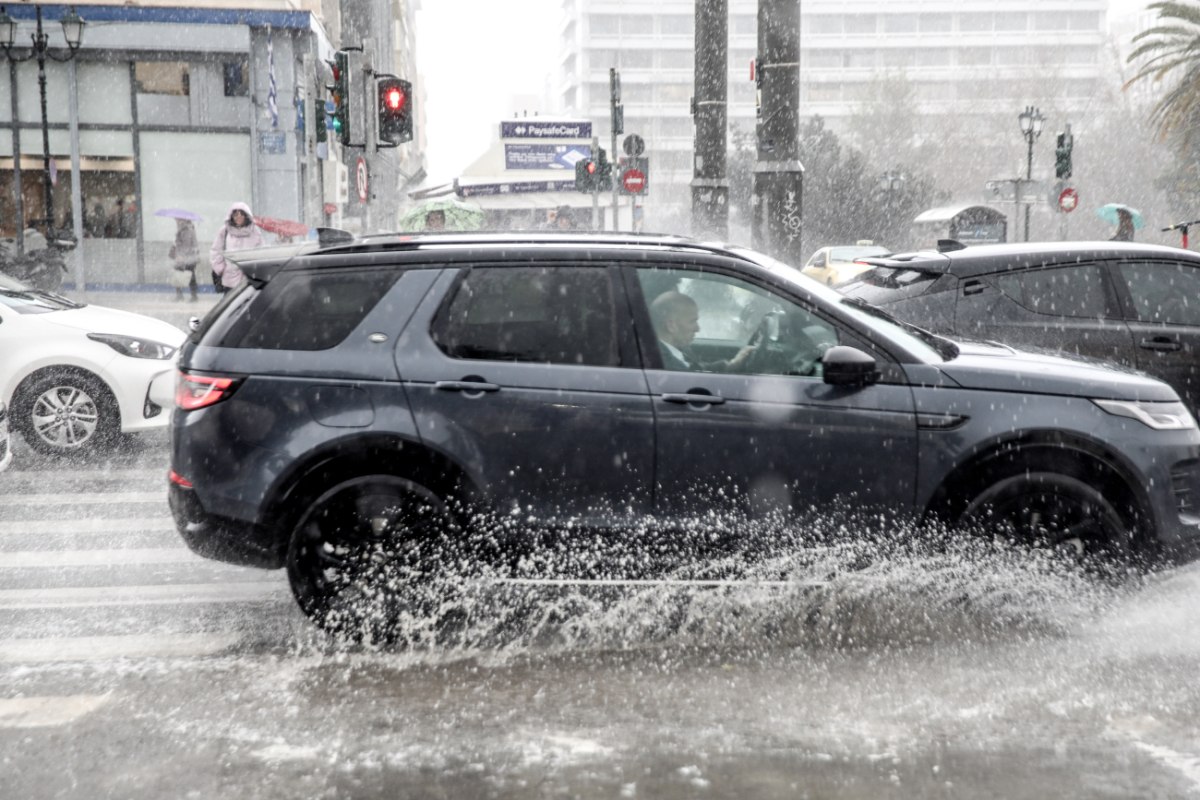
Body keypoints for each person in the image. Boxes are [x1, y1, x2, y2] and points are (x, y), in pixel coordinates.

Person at [649, 290, 756, 372]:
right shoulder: (662, 363)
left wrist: (730, 365)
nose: (697, 328)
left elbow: (699, 370)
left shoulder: (677, 350)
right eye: (692, 321)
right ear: (671, 326)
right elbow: (694, 380)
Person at [210, 201, 264, 293]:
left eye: (241, 214)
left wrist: (255, 270)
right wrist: (221, 268)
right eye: (235, 215)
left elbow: (261, 252)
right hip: (229, 280)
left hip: (249, 279)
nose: (238, 217)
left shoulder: (255, 231)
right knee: (230, 306)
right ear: (231, 217)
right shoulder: (225, 230)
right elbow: (216, 250)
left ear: (246, 216)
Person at [169, 218, 200, 302]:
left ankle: (191, 296)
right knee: (181, 275)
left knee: (189, 276)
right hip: (185, 257)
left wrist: (181, 256)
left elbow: (187, 245)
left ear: (183, 220)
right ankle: (184, 295)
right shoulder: (183, 229)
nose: (176, 221)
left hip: (188, 258)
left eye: (177, 220)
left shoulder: (187, 230)